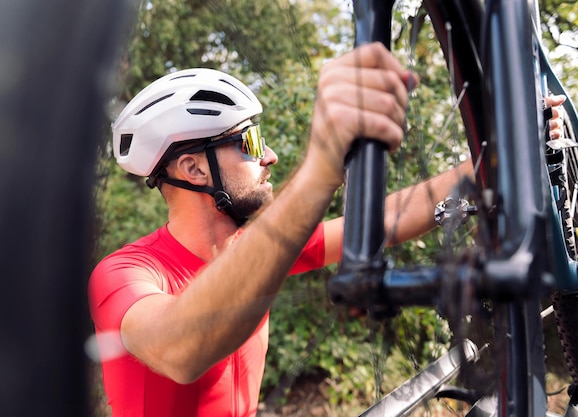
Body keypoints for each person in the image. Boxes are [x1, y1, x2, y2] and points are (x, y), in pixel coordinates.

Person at [88, 43, 566, 417]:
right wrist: (318, 170)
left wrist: (503, 156)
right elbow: (179, 349)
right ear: (193, 168)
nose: (270, 156)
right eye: (249, 142)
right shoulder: (124, 273)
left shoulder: (253, 250)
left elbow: (387, 219)